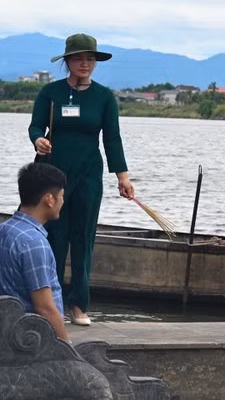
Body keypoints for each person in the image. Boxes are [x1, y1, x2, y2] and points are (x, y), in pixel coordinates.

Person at [28, 33, 134, 327]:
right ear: (68, 61)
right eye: (78, 58)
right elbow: (36, 125)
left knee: (83, 237)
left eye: (90, 58)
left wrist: (122, 178)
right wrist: (38, 139)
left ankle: (79, 304)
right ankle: (52, 304)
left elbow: (112, 139)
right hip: (54, 174)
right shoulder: (50, 92)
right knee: (54, 238)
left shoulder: (104, 97)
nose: (85, 63)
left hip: (89, 173)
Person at [0, 162, 70, 342]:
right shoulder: (34, 243)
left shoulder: (4, 229)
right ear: (49, 199)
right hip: (33, 342)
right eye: (61, 196)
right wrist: (67, 349)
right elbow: (45, 308)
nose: (63, 201)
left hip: (9, 332)